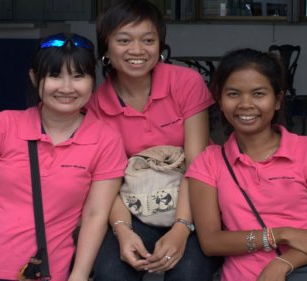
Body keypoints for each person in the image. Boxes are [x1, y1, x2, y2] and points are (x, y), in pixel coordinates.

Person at [0, 32, 127, 281]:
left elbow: (95, 214)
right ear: (34, 77)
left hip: (44, 273)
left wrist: (79, 274)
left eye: (78, 76)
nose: (66, 88)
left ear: (93, 81)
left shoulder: (106, 140)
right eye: (54, 75)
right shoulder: (2, 125)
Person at [87, 0, 222, 280]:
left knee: (188, 273)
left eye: (148, 40)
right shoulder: (95, 104)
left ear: (160, 46)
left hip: (195, 203)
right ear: (106, 47)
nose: (137, 50)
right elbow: (108, 178)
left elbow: (196, 164)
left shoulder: (186, 82)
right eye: (124, 40)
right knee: (111, 272)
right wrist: (123, 230)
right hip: (133, 207)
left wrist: (182, 227)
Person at [186, 48, 307, 281]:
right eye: (233, 94)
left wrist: (282, 263)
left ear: (277, 100)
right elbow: (211, 242)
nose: (245, 104)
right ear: (219, 100)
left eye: (258, 94)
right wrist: (281, 235)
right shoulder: (208, 162)